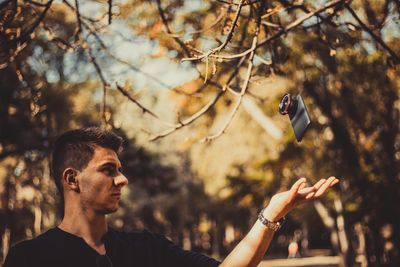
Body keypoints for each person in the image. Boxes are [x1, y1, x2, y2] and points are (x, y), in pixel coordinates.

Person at [3, 127, 339, 267]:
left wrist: (271, 215)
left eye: (120, 169)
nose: (123, 178)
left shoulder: (145, 248)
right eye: (108, 169)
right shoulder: (30, 258)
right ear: (72, 179)